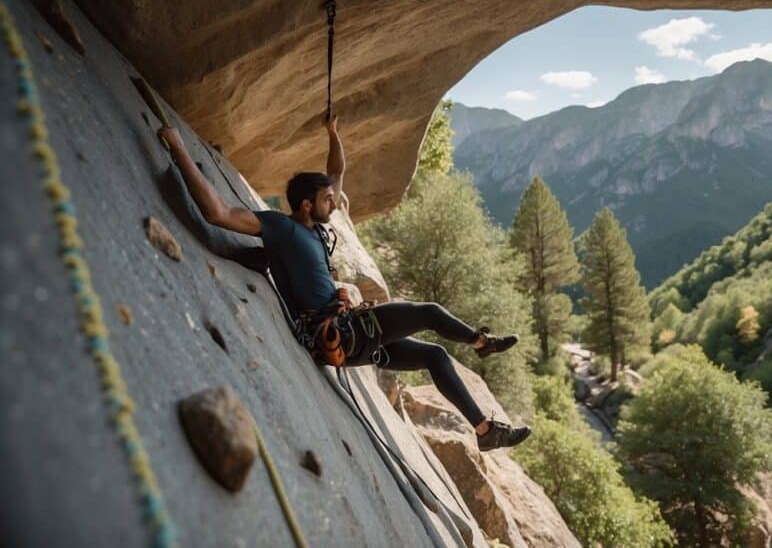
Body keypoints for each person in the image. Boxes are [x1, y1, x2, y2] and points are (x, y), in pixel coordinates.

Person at [158, 116, 530, 452]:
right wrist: (178, 147)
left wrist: (332, 133)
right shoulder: (282, 228)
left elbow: (336, 172)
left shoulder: (315, 230)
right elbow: (218, 213)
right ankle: (481, 342)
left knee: (435, 356)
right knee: (429, 313)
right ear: (306, 204)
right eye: (327, 199)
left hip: (349, 337)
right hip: (340, 331)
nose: (335, 203)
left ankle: (485, 431)